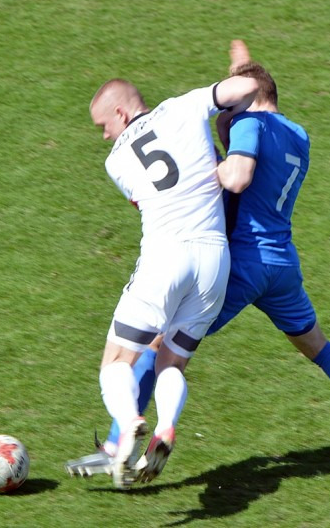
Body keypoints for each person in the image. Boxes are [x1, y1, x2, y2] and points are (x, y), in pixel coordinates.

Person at [66, 41, 330, 480]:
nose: (223, 121)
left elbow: (237, 175)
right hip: (281, 264)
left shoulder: (248, 125)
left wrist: (208, 170)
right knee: (319, 347)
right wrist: (240, 71)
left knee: (157, 348)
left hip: (239, 264)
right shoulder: (298, 135)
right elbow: (252, 110)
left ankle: (118, 443)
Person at [76, 72, 258, 489]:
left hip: (166, 256)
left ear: (121, 113)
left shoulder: (115, 161)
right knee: (172, 362)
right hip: (214, 260)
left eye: (104, 125)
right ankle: (165, 427)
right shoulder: (184, 106)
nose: (104, 136)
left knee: (115, 362)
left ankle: (128, 424)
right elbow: (247, 89)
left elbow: (146, 199)